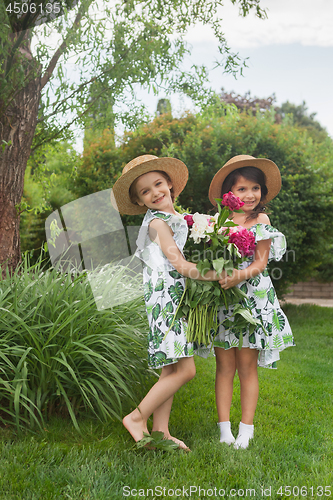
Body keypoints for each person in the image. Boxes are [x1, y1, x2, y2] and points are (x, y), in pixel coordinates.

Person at [111, 154, 223, 450]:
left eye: (158, 184)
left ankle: (161, 430)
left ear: (170, 184)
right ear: (139, 201)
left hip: (171, 296)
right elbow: (182, 266)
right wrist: (218, 273)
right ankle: (136, 418)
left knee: (170, 368)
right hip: (167, 300)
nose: (155, 193)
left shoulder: (171, 218)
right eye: (145, 192)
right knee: (186, 370)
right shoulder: (158, 224)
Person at [208, 154, 295, 449]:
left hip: (251, 299)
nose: (249, 195)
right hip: (223, 299)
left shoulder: (261, 220)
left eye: (255, 188)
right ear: (228, 194)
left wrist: (237, 276)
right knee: (224, 366)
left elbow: (260, 263)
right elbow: (210, 259)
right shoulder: (217, 223)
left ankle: (246, 428)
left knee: (247, 366)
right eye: (242, 189)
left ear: (262, 192)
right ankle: (224, 429)